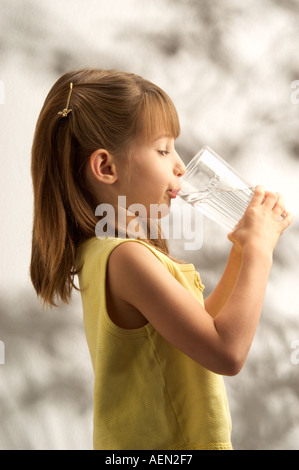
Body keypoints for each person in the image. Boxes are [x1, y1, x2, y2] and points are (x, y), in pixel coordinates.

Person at [30, 68, 293, 450]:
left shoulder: (106, 253)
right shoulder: (127, 259)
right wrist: (259, 251)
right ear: (106, 167)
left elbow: (198, 336)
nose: (180, 166)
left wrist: (240, 251)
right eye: (163, 149)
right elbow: (226, 352)